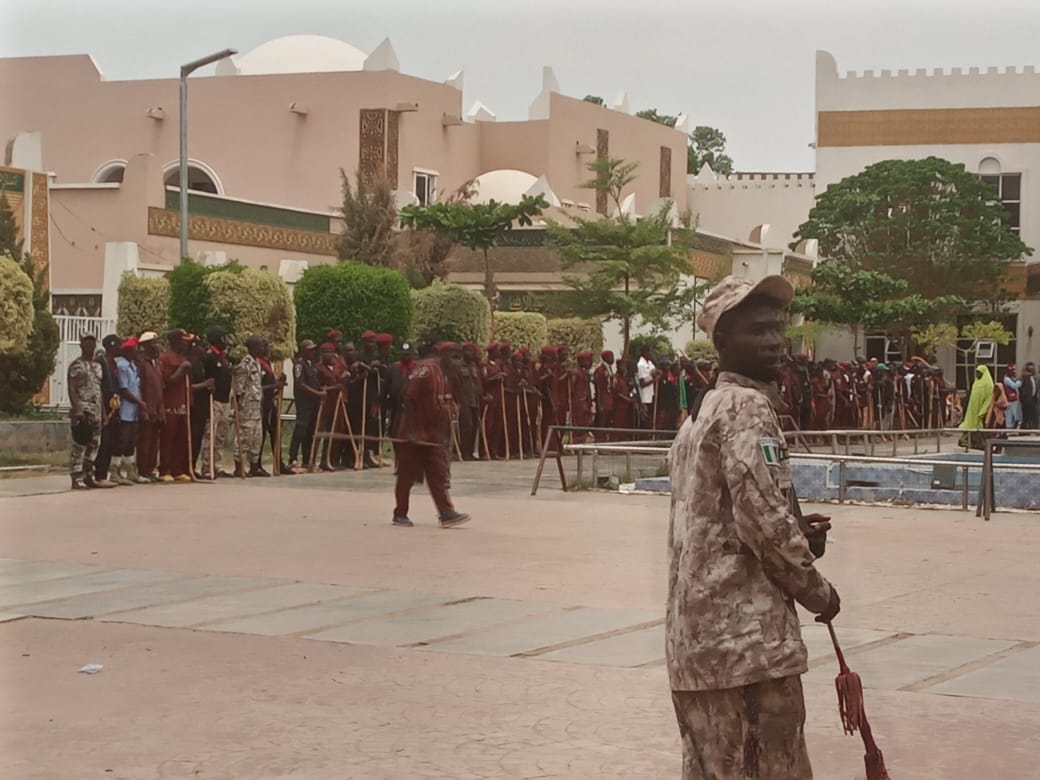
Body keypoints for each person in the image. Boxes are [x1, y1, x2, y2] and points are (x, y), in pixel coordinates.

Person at [667, 275, 839, 780]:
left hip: (697, 645)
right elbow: (763, 524)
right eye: (758, 331)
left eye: (777, 330)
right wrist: (818, 592)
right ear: (721, 341)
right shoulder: (747, 407)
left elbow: (720, 518)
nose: (774, 342)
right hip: (748, 648)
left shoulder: (702, 410)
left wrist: (794, 531)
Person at [391, 342, 471, 528]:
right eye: (453, 357)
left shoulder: (445, 374)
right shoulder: (426, 371)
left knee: (438, 474)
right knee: (406, 476)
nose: (457, 362)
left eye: (458, 358)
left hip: (432, 436)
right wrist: (411, 431)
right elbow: (408, 399)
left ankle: (446, 513)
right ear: (441, 355)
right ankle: (400, 513)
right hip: (414, 434)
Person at [68, 334, 106, 490]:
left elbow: (99, 389)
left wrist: (103, 412)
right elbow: (72, 387)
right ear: (81, 345)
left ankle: (88, 474)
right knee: (80, 445)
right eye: (86, 343)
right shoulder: (77, 365)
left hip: (96, 409)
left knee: (95, 444)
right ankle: (76, 477)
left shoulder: (98, 366)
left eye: (92, 343)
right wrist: (77, 408)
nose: (90, 346)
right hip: (83, 410)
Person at [158, 329, 197, 482]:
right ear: (176, 341)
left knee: (182, 438)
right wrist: (181, 370)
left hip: (184, 403)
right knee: (168, 438)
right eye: (184, 341)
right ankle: (165, 469)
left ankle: (177, 469)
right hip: (171, 404)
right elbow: (167, 382)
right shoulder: (165, 358)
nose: (186, 344)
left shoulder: (183, 358)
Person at [201, 326, 234, 478]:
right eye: (224, 338)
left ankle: (218, 465)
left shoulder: (223, 357)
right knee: (211, 435)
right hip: (213, 400)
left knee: (221, 435)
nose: (227, 341)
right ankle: (207, 467)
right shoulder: (209, 357)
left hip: (225, 399)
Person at [113, 337, 145, 484]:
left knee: (131, 441)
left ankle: (130, 471)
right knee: (122, 440)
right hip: (125, 409)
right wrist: (140, 402)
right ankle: (115, 471)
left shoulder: (133, 365)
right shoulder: (122, 366)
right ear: (128, 350)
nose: (136, 351)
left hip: (134, 412)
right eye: (134, 349)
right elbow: (124, 390)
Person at [288, 339, 323, 472]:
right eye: (310, 350)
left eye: (313, 349)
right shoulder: (299, 365)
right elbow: (300, 384)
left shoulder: (311, 365)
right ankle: (293, 458)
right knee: (300, 430)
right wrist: (317, 393)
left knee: (310, 432)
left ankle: (308, 460)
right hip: (304, 403)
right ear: (303, 350)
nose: (312, 352)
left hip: (314, 403)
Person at [234, 335, 266, 477]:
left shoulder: (257, 362)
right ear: (252, 347)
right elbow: (238, 388)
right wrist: (237, 408)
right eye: (260, 345)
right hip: (246, 407)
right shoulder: (245, 364)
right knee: (244, 437)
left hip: (256, 406)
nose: (263, 348)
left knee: (256, 437)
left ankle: (254, 466)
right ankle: (239, 466)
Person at [136, 331, 164, 482]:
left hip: (157, 408)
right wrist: (143, 408)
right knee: (144, 441)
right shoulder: (141, 362)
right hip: (147, 407)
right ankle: (142, 471)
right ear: (145, 345)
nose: (157, 346)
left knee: (154, 442)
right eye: (153, 343)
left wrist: (161, 409)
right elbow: (139, 387)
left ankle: (151, 469)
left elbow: (160, 387)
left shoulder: (157, 363)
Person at [94, 333, 122, 485]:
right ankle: (99, 475)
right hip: (102, 409)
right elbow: (98, 386)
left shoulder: (114, 363)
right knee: (102, 442)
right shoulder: (101, 362)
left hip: (113, 409)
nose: (121, 348)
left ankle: (104, 474)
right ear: (111, 346)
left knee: (111, 442)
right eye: (118, 345)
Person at [456, 343, 482, 460]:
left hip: (474, 400)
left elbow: (477, 383)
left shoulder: (474, 366)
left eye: (472, 352)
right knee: (466, 426)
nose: (471, 354)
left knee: (475, 427)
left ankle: (470, 451)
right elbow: (456, 384)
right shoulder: (458, 366)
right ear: (463, 352)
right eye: (469, 351)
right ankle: (464, 452)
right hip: (463, 400)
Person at [593, 350, 615, 435]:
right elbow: (599, 388)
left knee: (608, 422)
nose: (612, 358)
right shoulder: (601, 370)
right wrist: (600, 404)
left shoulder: (608, 369)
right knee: (602, 421)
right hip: (603, 401)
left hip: (609, 399)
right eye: (611, 356)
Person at [636, 345, 657, 427]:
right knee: (645, 419)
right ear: (645, 353)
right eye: (649, 352)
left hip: (650, 395)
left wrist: (655, 373)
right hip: (644, 396)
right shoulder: (641, 365)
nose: (651, 354)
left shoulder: (650, 363)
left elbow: (655, 371)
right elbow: (642, 384)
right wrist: (654, 380)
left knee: (650, 418)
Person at [1002, 364, 1022, 430]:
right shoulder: (1006, 379)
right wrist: (1019, 382)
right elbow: (1014, 386)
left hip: (1015, 400)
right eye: (1012, 370)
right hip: (1010, 400)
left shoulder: (1012, 378)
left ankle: (1014, 430)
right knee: (1009, 417)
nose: (1013, 372)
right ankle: (1009, 431)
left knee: (1016, 417)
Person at [1021, 362, 1038, 430]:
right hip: (1028, 401)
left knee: (1031, 416)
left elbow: (1033, 389)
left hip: (1031, 400)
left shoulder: (1032, 379)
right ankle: (1027, 429)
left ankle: (1031, 428)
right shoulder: (1026, 379)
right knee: (1027, 416)